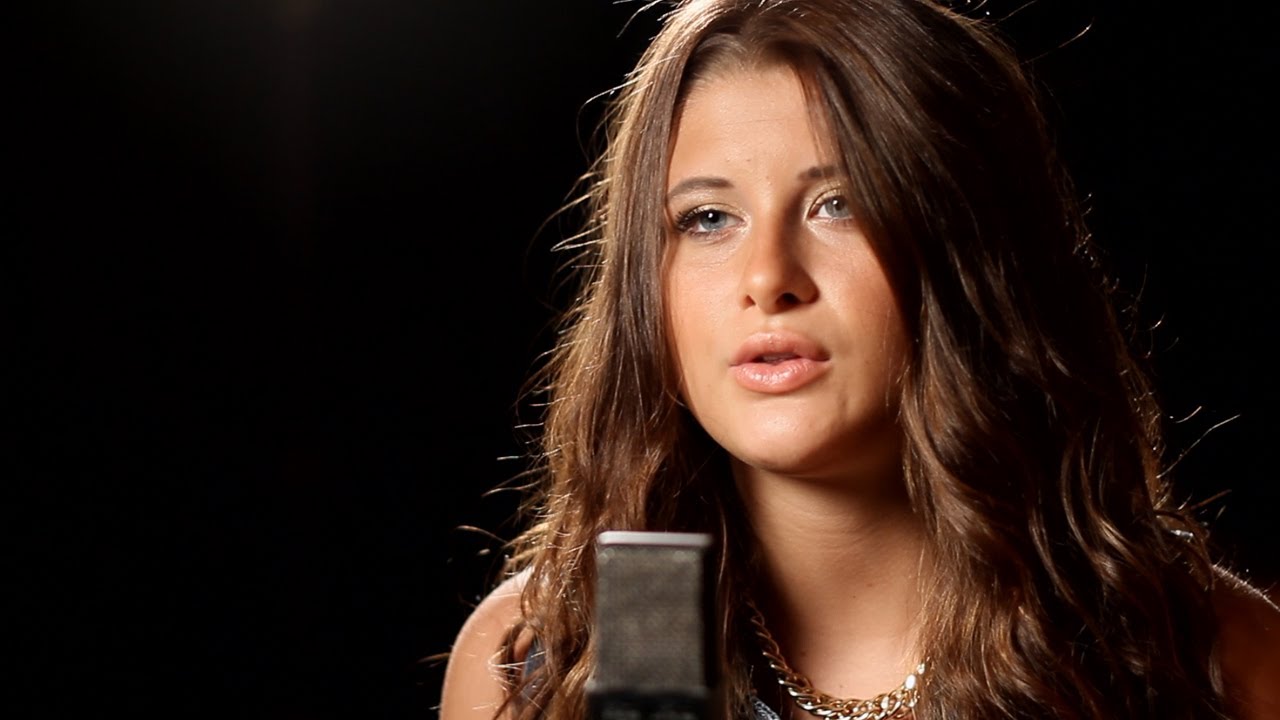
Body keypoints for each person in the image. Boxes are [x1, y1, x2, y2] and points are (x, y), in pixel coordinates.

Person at [441, 1, 1280, 718]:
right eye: (706, 219)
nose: (767, 278)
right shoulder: (535, 666)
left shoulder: (1213, 658)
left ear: (972, 254)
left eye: (839, 204)